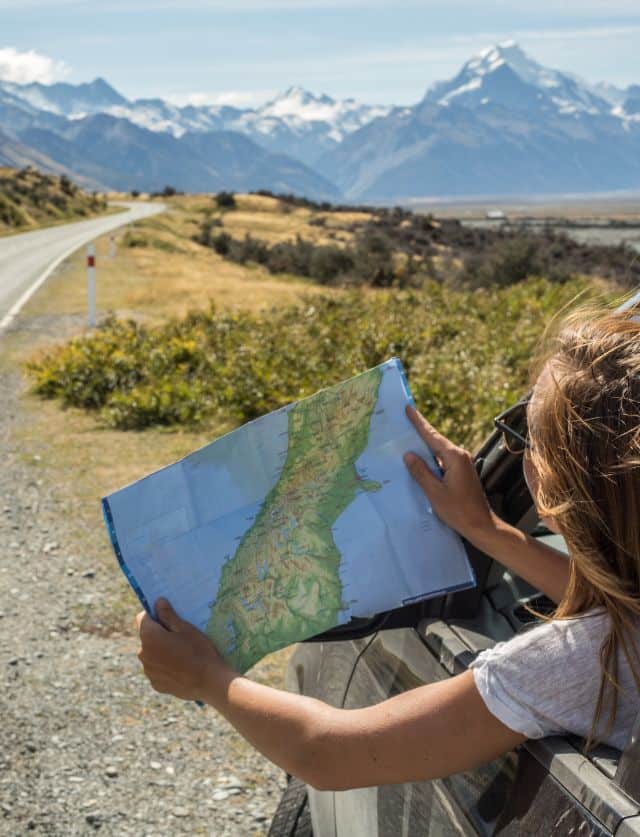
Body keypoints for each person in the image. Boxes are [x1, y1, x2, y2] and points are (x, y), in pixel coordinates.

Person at [135, 303, 640, 791]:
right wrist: (483, 528)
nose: (521, 451)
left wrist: (207, 678)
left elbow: (329, 753)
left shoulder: (582, 661)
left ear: (553, 492)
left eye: (527, 438)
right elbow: (620, 596)